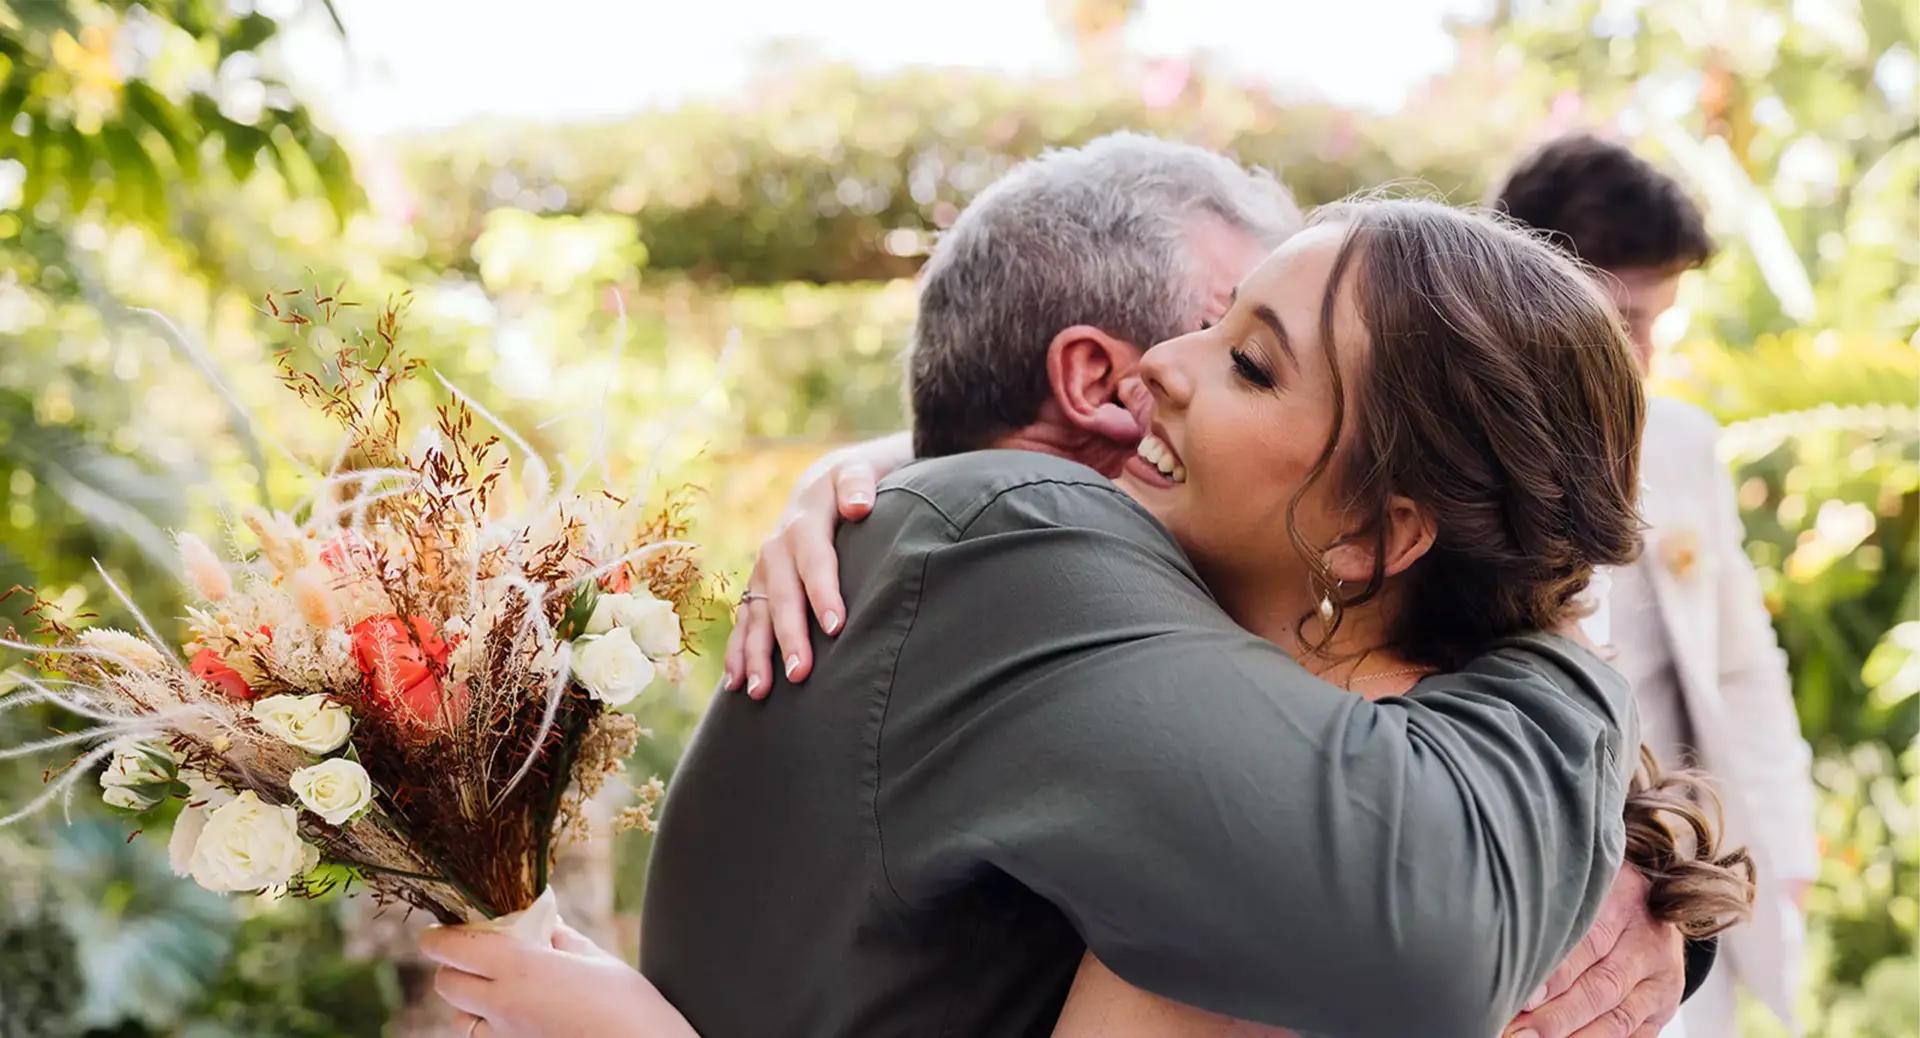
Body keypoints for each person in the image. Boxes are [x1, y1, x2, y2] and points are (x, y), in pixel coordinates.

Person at [420, 137, 1741, 1037]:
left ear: (1378, 535)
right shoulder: (1340, 751)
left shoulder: (1313, 822)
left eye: (1250, 359)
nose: (1170, 367)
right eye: (1217, 324)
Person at [1493, 133, 1819, 1037]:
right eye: (1622, 318)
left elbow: (1743, 665)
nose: (1643, 357)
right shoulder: (1455, 456)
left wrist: (1783, 849)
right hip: (1524, 903)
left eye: (1658, 323)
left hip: (1682, 885)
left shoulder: (1681, 443)